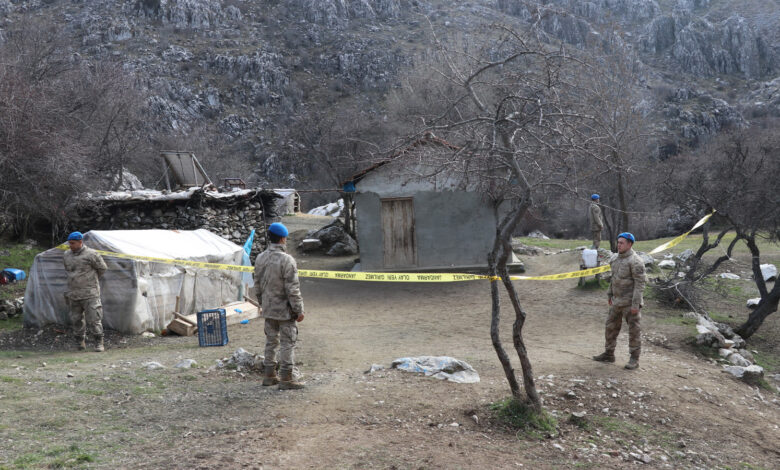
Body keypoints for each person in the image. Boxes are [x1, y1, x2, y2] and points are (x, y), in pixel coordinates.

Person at [254, 222, 305, 390]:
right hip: (285, 310)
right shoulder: (287, 260)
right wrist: (298, 309)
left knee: (271, 342)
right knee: (287, 342)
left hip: (268, 309)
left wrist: (262, 304)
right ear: (283, 238)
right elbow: (292, 288)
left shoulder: (260, 258)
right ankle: (286, 378)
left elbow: (257, 284)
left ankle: (269, 375)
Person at [593, 232, 647, 370]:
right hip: (616, 301)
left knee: (634, 331)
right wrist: (610, 294)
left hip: (630, 304)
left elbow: (640, 285)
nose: (619, 245)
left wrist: (636, 304)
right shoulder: (615, 258)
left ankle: (634, 359)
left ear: (630, 244)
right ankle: (609, 354)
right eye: (618, 242)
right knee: (610, 327)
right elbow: (614, 278)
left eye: (622, 243)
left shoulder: (636, 261)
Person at [62, 232, 108, 352]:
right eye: (69, 243)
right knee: (76, 320)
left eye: (73, 243)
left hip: (90, 293)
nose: (70, 246)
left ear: (80, 242)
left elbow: (102, 268)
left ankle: (99, 343)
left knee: (94, 319)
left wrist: (89, 280)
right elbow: (68, 270)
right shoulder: (66, 255)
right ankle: (80, 342)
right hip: (74, 293)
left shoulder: (92, 254)